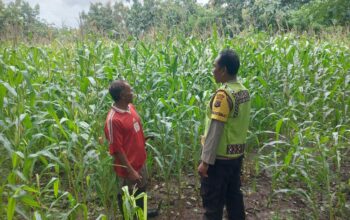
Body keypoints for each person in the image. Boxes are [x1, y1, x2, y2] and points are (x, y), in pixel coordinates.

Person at [198, 49, 251, 220]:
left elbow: (216, 129)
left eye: (215, 66)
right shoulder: (243, 91)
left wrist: (205, 162)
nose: (213, 70)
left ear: (224, 70)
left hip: (219, 160)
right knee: (234, 199)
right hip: (236, 156)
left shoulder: (224, 94)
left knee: (213, 206)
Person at [104, 79, 158, 219]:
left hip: (140, 162)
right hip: (128, 169)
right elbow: (116, 149)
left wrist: (143, 140)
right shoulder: (113, 120)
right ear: (122, 95)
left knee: (141, 190)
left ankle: (143, 214)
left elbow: (132, 131)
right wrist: (131, 171)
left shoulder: (130, 108)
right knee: (127, 196)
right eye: (130, 91)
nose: (133, 93)